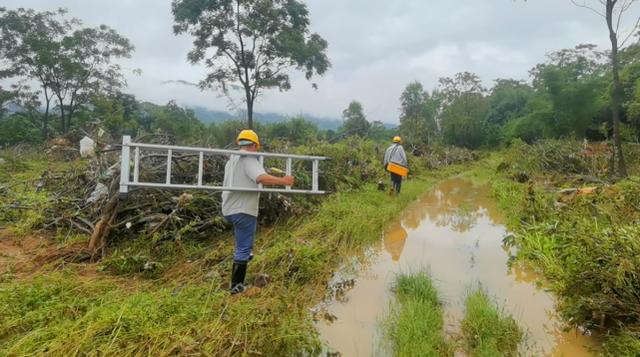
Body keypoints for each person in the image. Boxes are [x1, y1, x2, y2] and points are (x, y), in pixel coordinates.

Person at [222, 129, 294, 294]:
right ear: (254, 145)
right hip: (243, 209)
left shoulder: (232, 160)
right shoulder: (249, 158)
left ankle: (245, 258)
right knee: (243, 248)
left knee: (245, 243)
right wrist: (283, 181)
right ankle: (236, 287)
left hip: (229, 208)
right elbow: (260, 177)